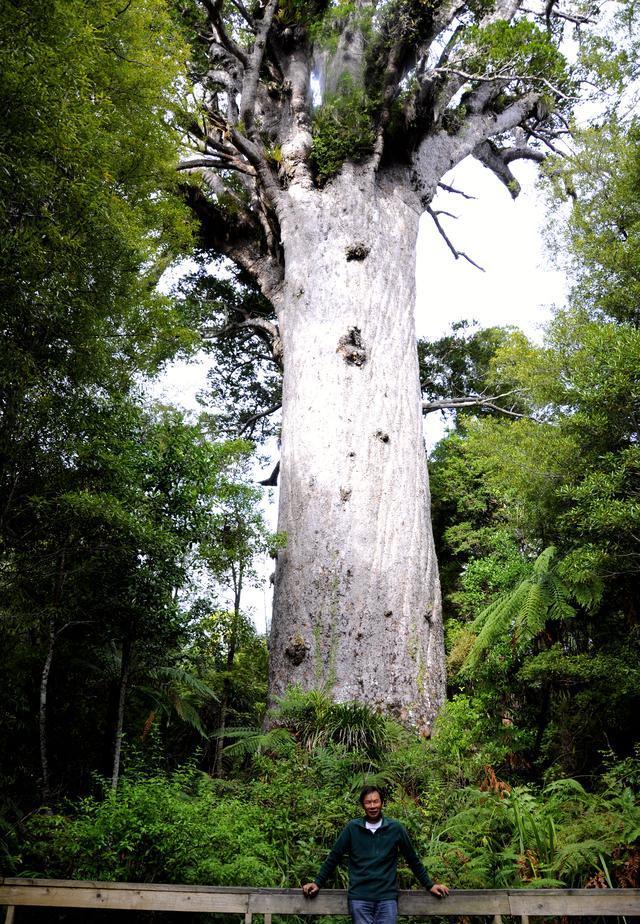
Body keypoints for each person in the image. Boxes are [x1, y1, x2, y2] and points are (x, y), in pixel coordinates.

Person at [302, 785, 449, 924]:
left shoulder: (395, 829)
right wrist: (317, 882)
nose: (372, 806)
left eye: (376, 801)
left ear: (382, 803)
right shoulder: (352, 828)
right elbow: (334, 857)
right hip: (360, 898)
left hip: (387, 898)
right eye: (368, 802)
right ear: (363, 805)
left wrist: (429, 885)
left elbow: (412, 860)